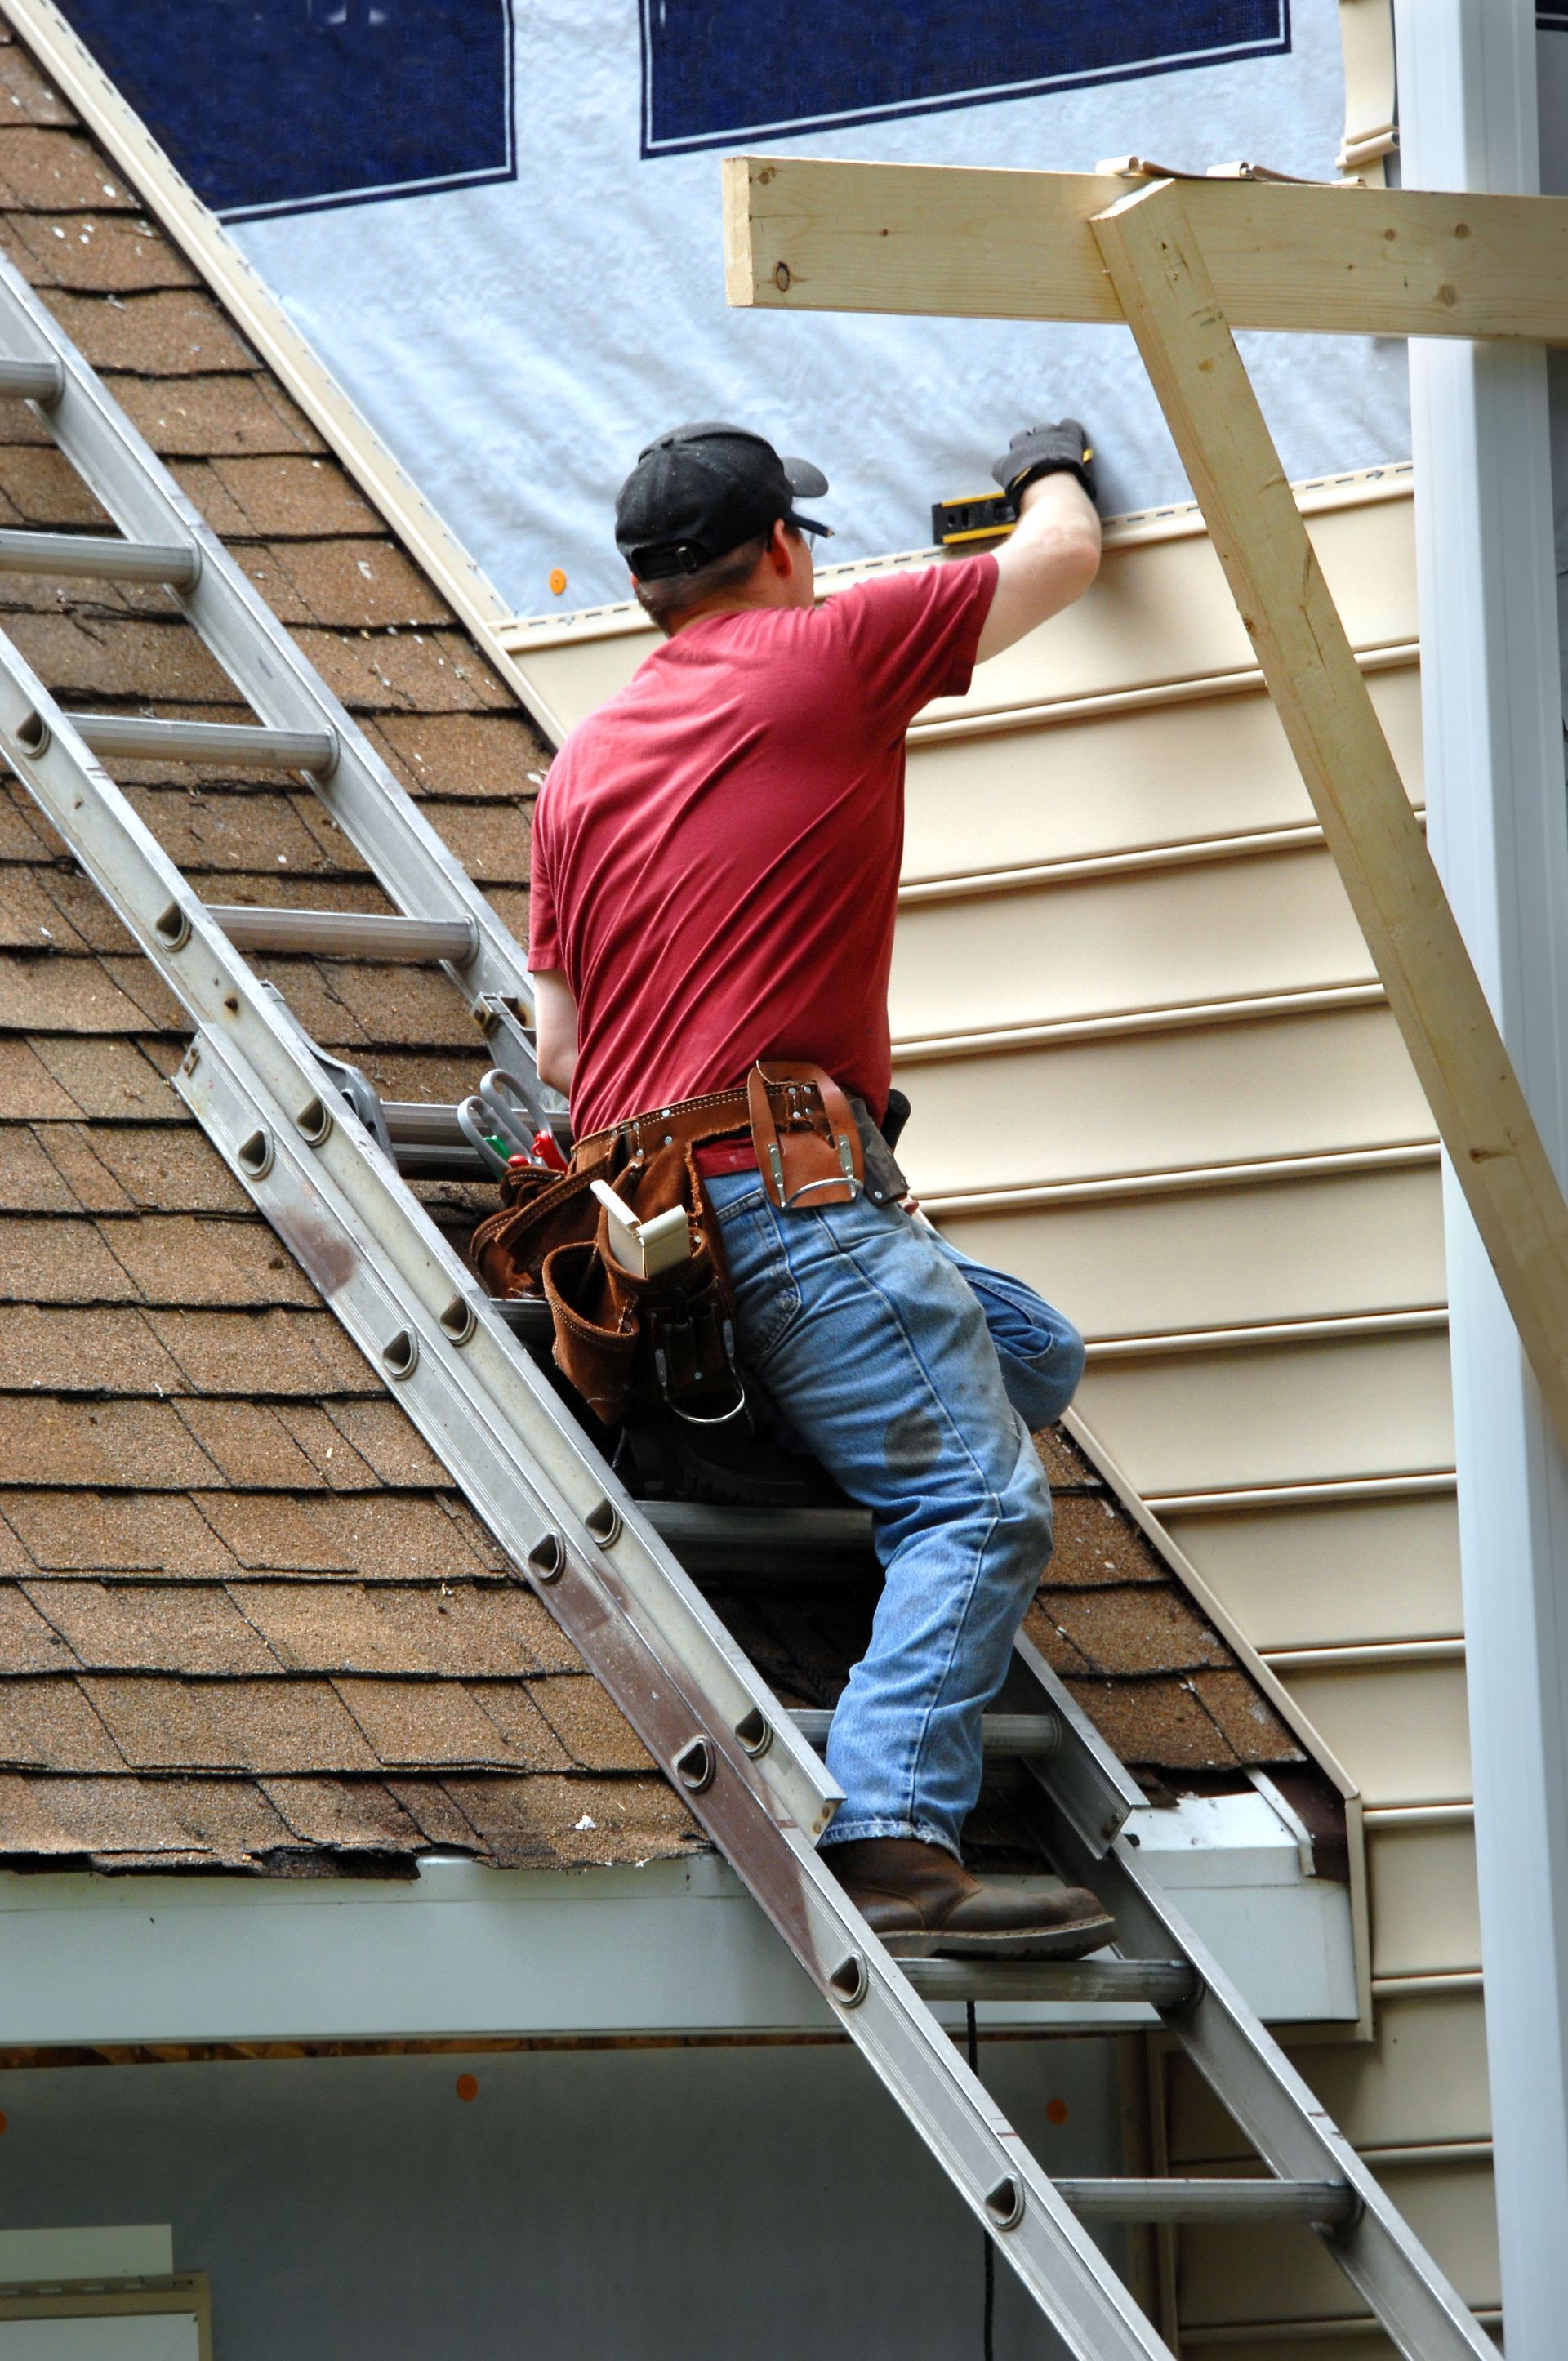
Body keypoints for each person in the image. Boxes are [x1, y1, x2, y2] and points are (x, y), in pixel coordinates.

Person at [528, 419, 1111, 1958]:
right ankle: (897, 1838)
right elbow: (1062, 559)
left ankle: (768, 1419)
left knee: (1034, 1350)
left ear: (647, 588)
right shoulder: (832, 648)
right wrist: (1053, 458)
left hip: (660, 1236)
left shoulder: (580, 762)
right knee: (979, 1502)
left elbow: (555, 1038)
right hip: (791, 1202)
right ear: (783, 546)